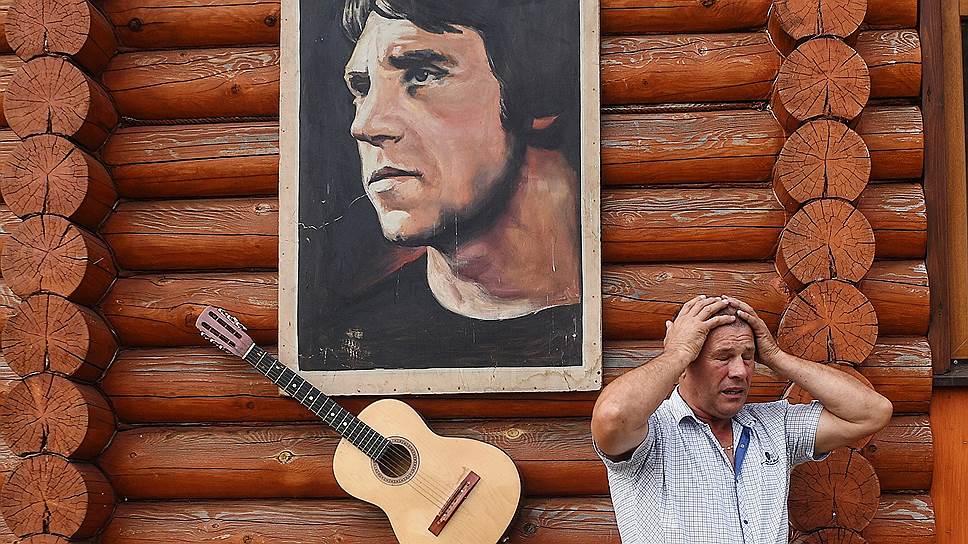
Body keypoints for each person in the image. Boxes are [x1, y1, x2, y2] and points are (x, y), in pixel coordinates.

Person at [298, 0, 585, 371]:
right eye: (362, 88)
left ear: (534, 88)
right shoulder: (349, 345)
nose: (365, 125)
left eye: (422, 74)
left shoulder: (617, 312)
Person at [590, 295, 894, 543]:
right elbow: (613, 416)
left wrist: (776, 357)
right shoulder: (652, 432)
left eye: (747, 357)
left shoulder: (774, 426)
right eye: (723, 357)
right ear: (686, 365)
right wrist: (677, 353)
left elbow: (872, 412)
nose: (739, 372)